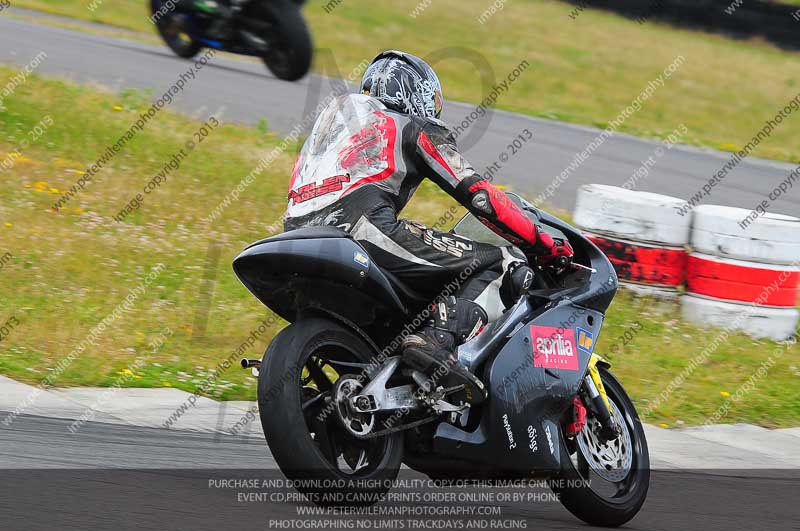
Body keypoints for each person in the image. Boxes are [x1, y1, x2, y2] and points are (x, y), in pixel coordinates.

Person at [284, 50, 573, 400]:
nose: (433, 109)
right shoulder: (413, 126)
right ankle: (435, 341)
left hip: (296, 234)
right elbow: (478, 195)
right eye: (431, 100)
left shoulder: (334, 125)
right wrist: (539, 240)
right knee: (499, 262)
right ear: (415, 94)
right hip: (360, 229)